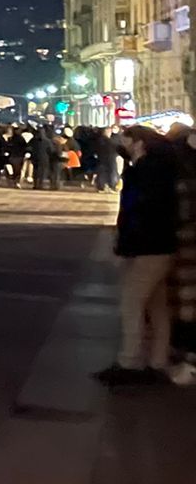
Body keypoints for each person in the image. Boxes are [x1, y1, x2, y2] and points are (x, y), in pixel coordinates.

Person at [99, 127, 177, 387]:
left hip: (147, 246)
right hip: (162, 244)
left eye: (125, 139)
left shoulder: (145, 171)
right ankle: (157, 361)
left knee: (131, 303)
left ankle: (129, 362)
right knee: (157, 306)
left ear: (139, 143)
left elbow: (135, 210)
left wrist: (124, 245)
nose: (122, 143)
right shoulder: (161, 167)